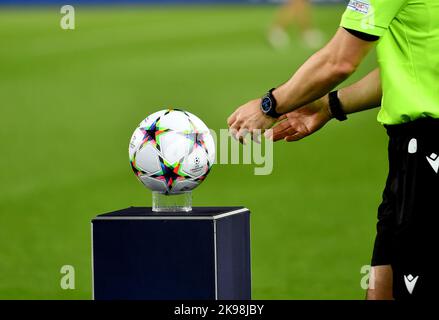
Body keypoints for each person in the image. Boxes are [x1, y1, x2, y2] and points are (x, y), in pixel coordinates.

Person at [228, 0, 439, 300]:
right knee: (381, 289)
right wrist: (329, 106)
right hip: (409, 154)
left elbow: (339, 61)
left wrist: (270, 105)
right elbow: (408, 71)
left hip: (426, 151)